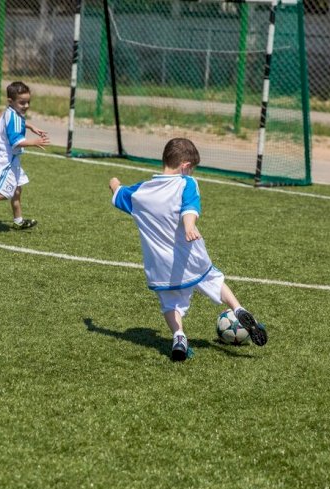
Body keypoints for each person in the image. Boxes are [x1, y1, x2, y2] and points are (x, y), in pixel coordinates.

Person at [109, 138, 268, 362]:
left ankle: (179, 336)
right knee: (214, 279)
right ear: (185, 166)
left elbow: (117, 193)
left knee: (170, 304)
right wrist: (189, 226)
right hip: (191, 258)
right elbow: (189, 208)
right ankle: (238, 308)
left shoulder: (141, 193)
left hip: (161, 266)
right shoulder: (187, 183)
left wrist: (114, 182)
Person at [0, 81, 50, 229]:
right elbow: (15, 142)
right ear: (10, 101)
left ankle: (18, 221)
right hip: (7, 159)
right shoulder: (15, 117)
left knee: (17, 189)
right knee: (6, 193)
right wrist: (34, 142)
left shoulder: (11, 112)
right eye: (22, 102)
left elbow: (16, 123)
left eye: (28, 102)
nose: (26, 106)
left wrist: (30, 126)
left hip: (12, 159)